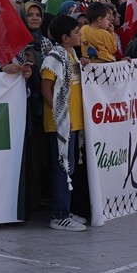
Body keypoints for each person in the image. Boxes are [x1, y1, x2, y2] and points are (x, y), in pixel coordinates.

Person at [43, 13, 88, 232]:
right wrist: (61, 114)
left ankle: (65, 210)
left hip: (73, 122)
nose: (80, 35)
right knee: (62, 168)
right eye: (76, 32)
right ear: (65, 37)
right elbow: (45, 88)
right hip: (60, 123)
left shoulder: (72, 55)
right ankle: (58, 215)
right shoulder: (55, 56)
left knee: (69, 168)